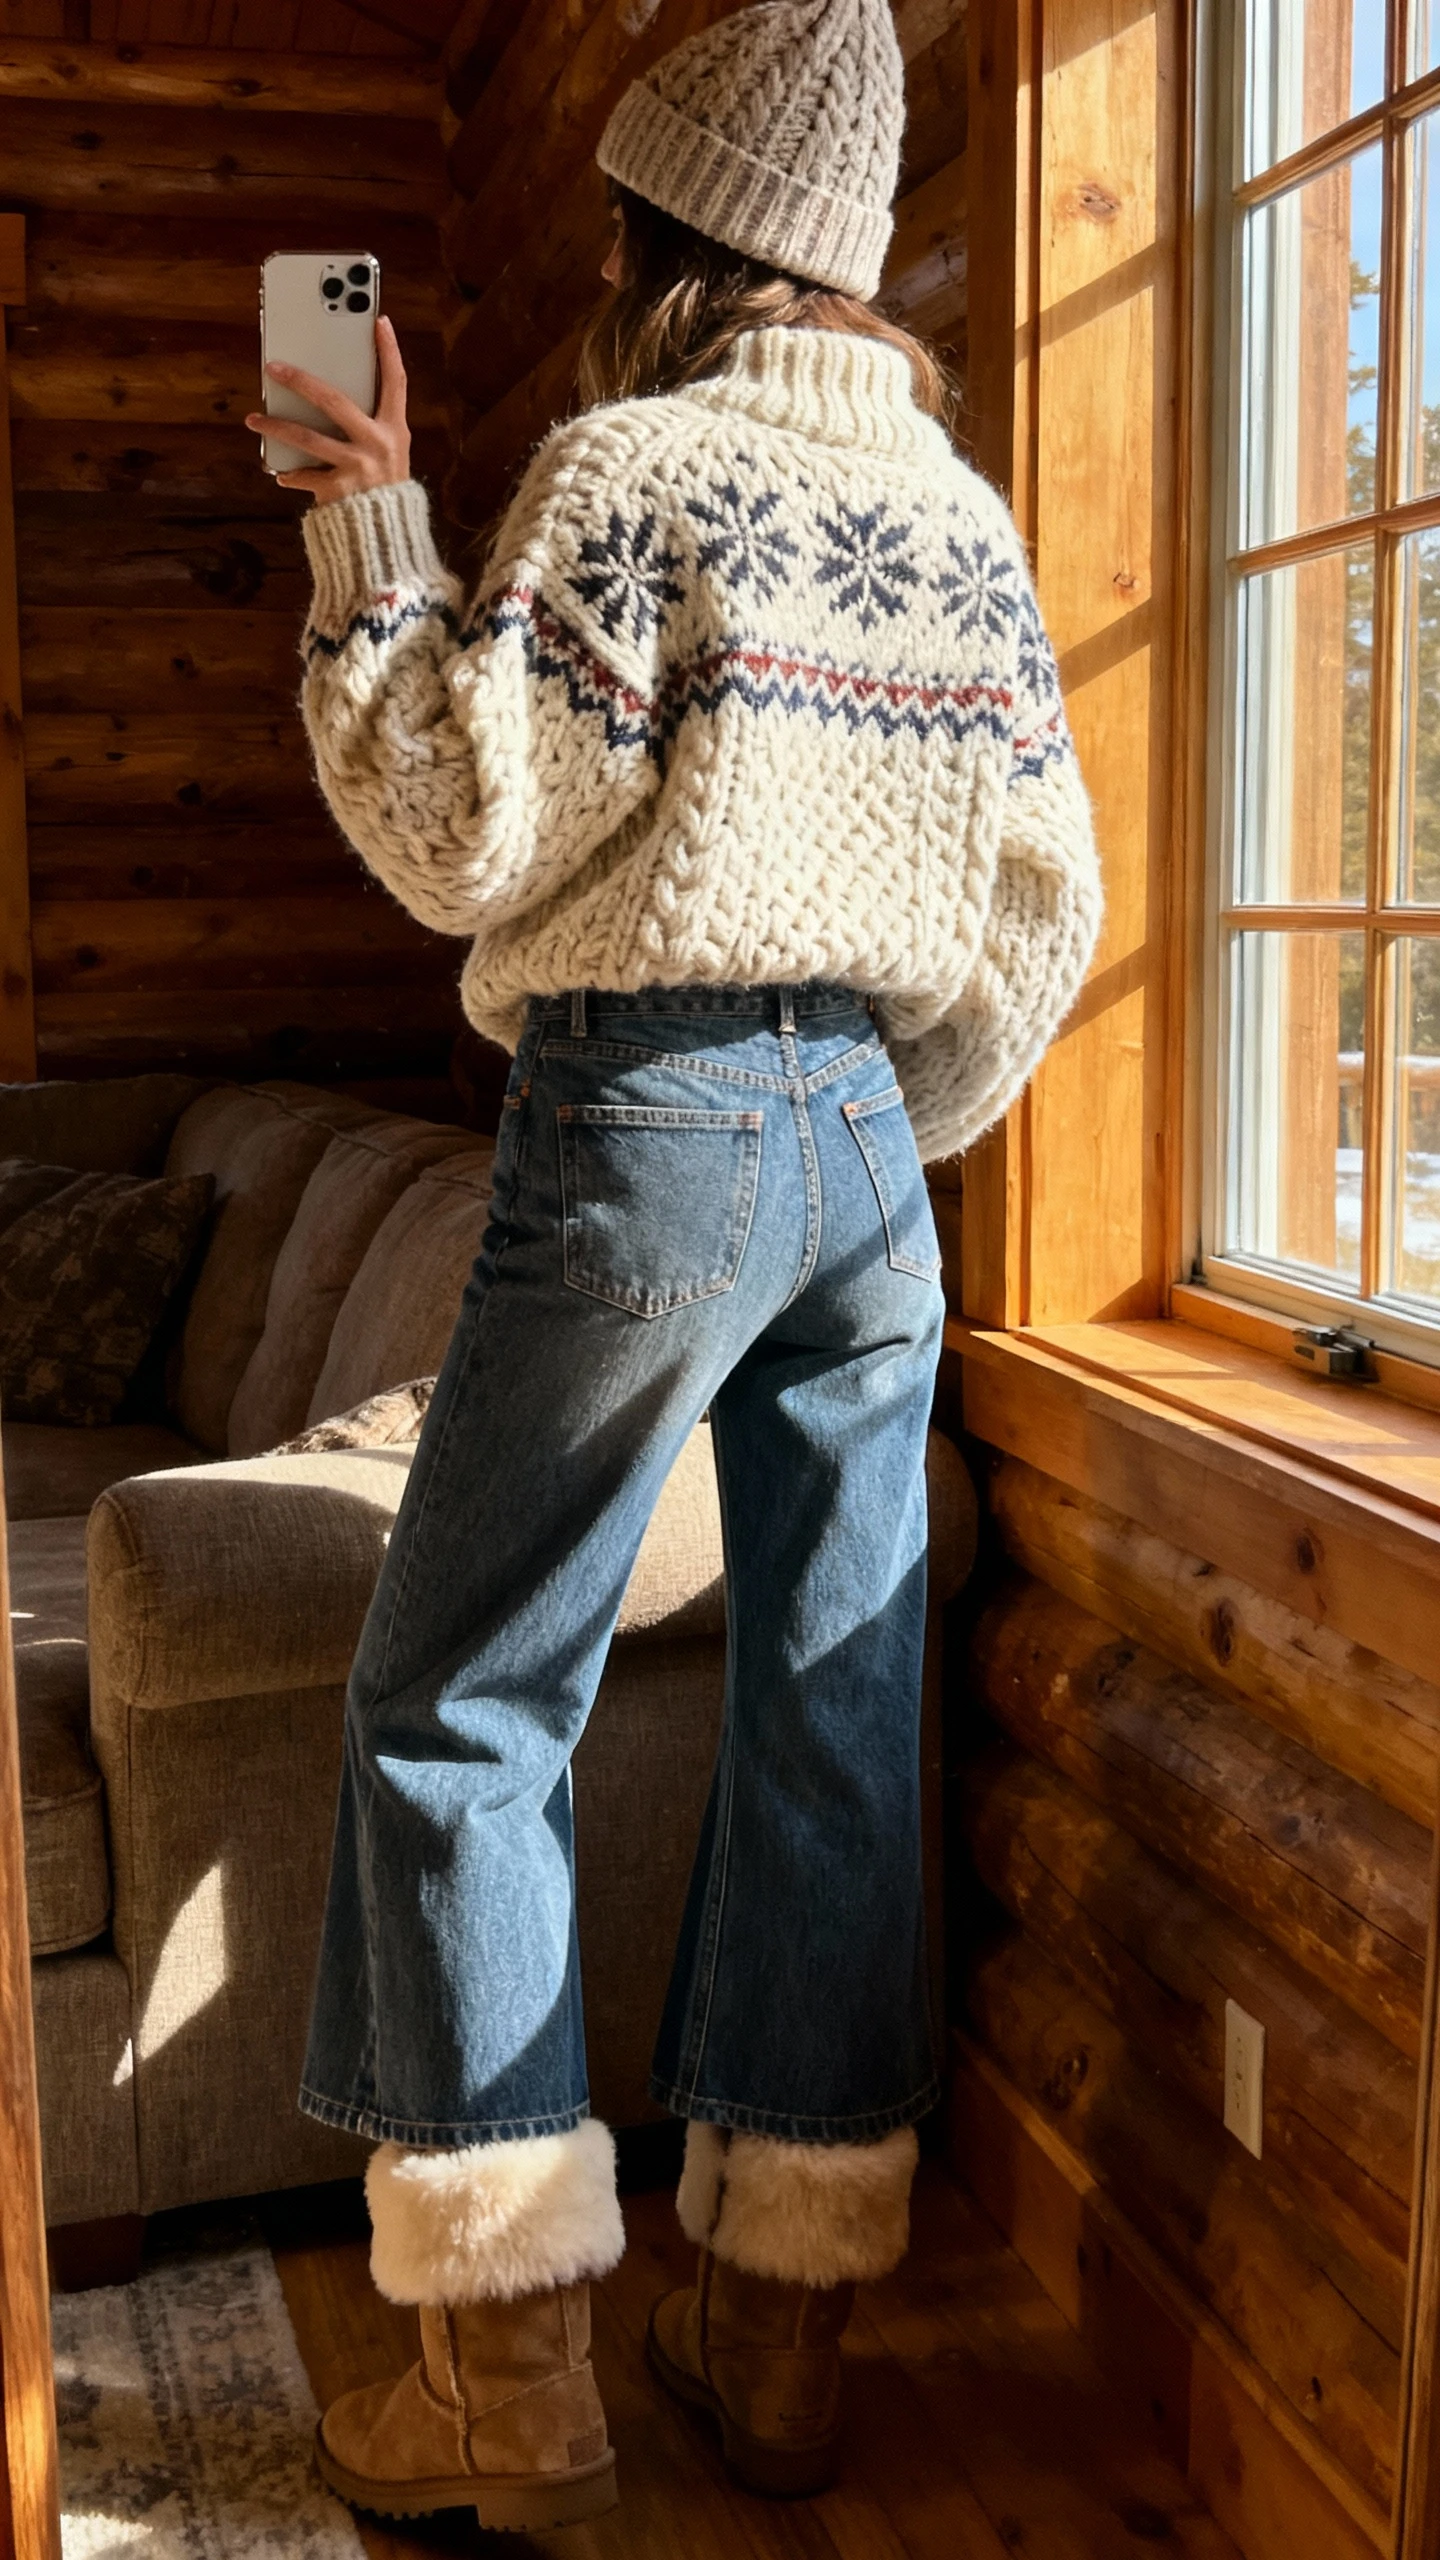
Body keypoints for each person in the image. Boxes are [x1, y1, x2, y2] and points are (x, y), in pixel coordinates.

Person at [245, 0, 1100, 2528]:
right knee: (835, 1708)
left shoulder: (633, 466)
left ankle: (511, 2386)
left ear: (667, 234)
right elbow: (1043, 907)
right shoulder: (957, 518)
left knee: (452, 1706)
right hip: (868, 1151)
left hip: (658, 1119)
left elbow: (452, 819)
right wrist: (871, 1121)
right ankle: (783, 2333)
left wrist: (370, 520)